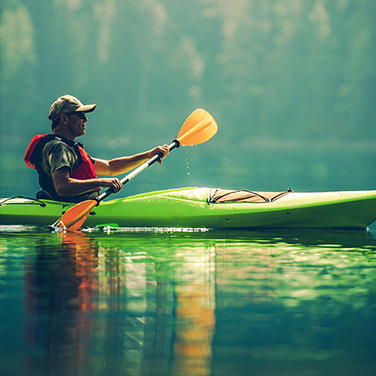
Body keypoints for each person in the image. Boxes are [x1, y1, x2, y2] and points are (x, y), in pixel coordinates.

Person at [25, 95, 169, 202]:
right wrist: (102, 182)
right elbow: (62, 187)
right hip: (68, 209)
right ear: (64, 119)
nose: (85, 119)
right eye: (81, 115)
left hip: (81, 206)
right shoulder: (58, 148)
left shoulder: (69, 148)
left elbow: (111, 167)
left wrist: (148, 155)